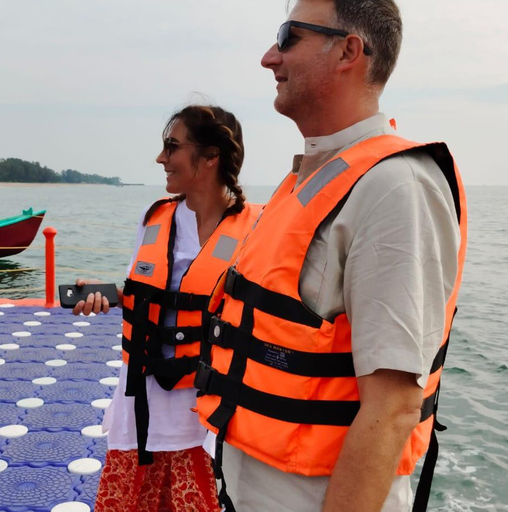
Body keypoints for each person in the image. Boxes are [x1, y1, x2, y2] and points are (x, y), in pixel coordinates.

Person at [194, 1, 467, 512]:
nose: (268, 57)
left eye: (288, 36)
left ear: (348, 51)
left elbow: (393, 407)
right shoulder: (306, 181)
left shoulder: (396, 187)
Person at [74, 105, 261, 512]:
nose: (161, 158)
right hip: (139, 405)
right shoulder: (155, 217)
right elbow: (144, 292)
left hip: (205, 416)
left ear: (210, 156)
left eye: (172, 147)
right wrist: (105, 294)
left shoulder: (256, 231)